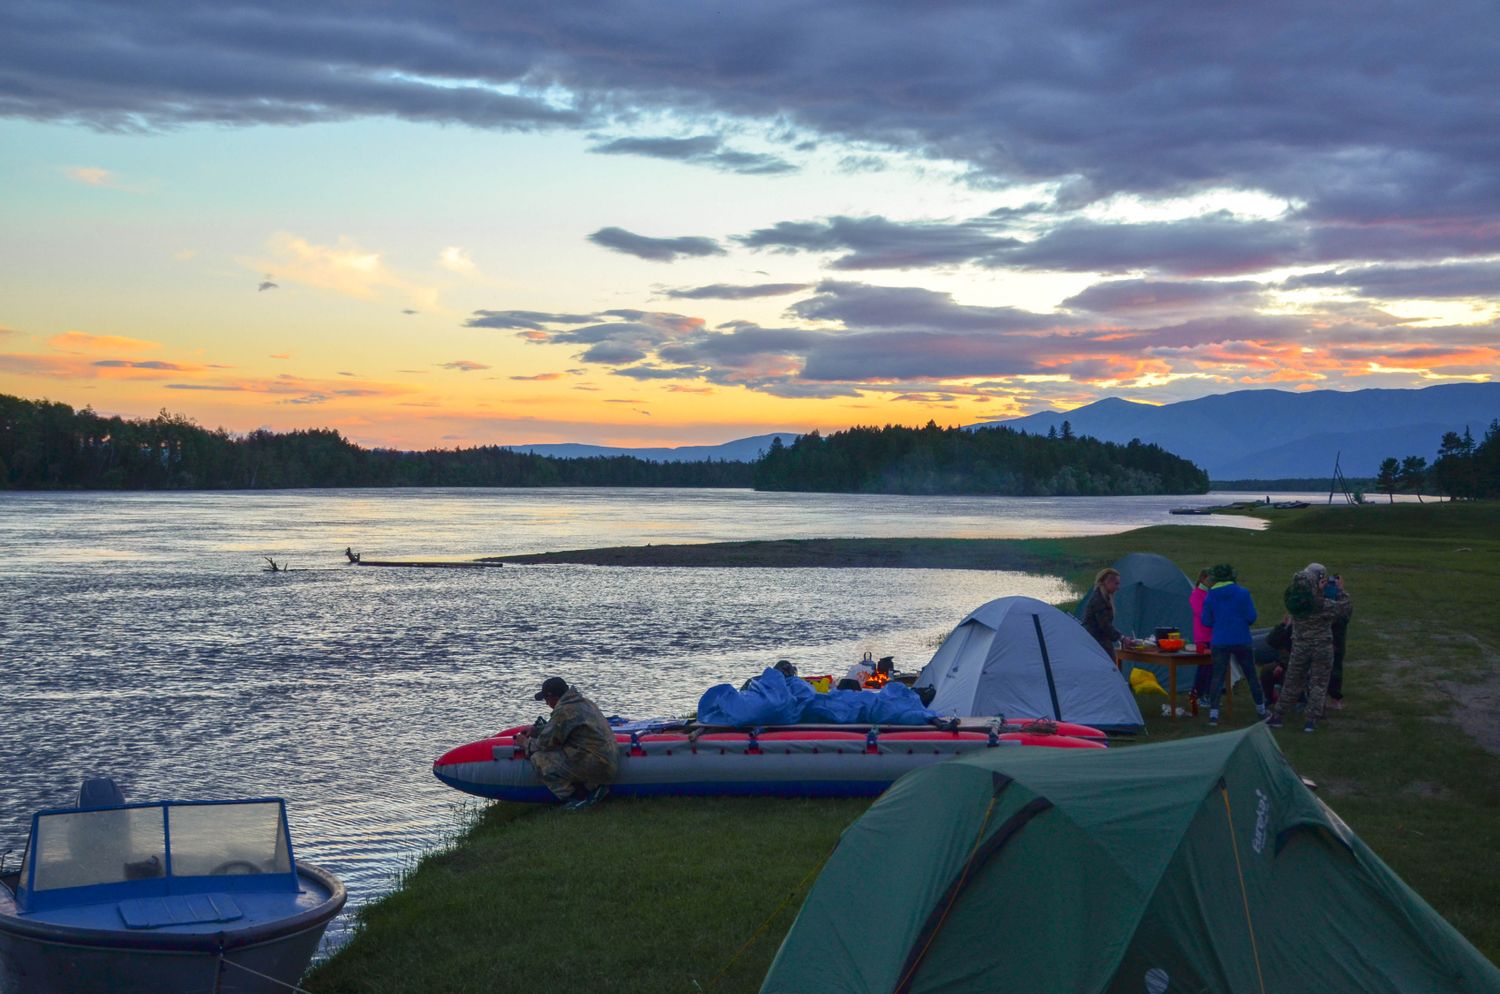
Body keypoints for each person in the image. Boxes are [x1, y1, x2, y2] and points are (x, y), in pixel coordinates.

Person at [1265, 563, 1352, 733]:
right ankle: (1311, 720)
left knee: (1292, 680)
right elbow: (1345, 609)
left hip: (1300, 644)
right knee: (1318, 682)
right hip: (1321, 646)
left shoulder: (1296, 600)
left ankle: (1278, 716)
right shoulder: (1323, 603)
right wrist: (1340, 590)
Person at [513, 677, 618, 810]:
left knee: (539, 759)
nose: (546, 704)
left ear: (553, 697)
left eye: (546, 699)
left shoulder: (564, 711)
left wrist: (525, 743)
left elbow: (544, 744)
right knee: (566, 752)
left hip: (596, 764)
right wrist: (536, 731)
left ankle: (576, 800)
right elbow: (563, 728)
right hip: (606, 760)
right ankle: (593, 788)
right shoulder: (584, 702)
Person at [1199, 563, 1265, 725]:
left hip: (1220, 640)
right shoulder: (1243, 593)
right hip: (1241, 639)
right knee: (1251, 675)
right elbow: (1252, 617)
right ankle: (1261, 709)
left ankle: (1214, 714)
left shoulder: (1211, 595)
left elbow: (1206, 621)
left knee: (1217, 676)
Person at [1324, 574, 1353, 710]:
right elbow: (1345, 613)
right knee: (1335, 668)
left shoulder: (1320, 599)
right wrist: (1341, 591)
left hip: (1321, 637)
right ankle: (1335, 700)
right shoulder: (1341, 602)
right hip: (1336, 638)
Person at [1081, 567, 1123, 659]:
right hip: (1096, 642)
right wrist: (1122, 638)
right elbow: (1104, 625)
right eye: (1116, 584)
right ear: (1107, 582)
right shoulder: (1098, 600)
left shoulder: (1103, 598)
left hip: (1099, 641)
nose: (1118, 588)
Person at [1188, 568, 1214, 703]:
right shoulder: (1197, 594)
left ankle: (1205, 694)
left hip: (1212, 635)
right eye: (1210, 578)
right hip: (1202, 636)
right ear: (1203, 578)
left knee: (1210, 666)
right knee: (1204, 666)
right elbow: (1202, 614)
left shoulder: (1210, 594)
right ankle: (1197, 694)